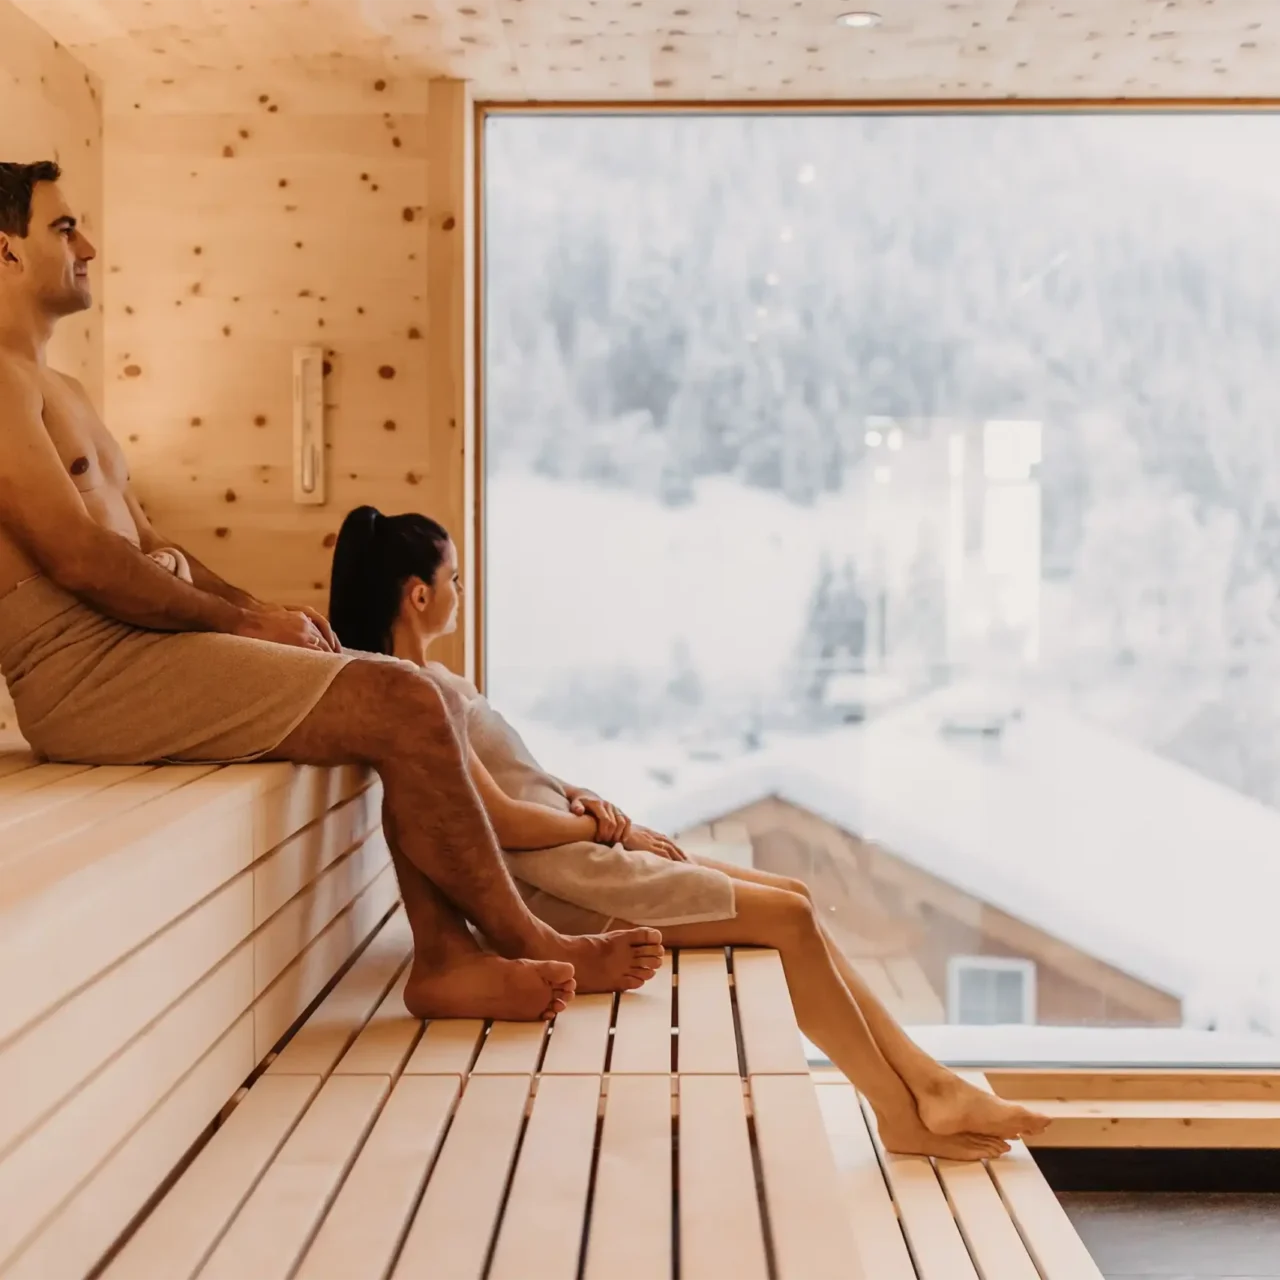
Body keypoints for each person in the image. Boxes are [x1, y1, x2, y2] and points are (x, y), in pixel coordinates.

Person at [0, 159, 666, 1025]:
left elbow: (157, 548)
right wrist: (248, 622)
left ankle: (444, 957)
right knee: (402, 698)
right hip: (84, 675)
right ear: (6, 251)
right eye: (62, 228)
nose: (89, 245)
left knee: (404, 697)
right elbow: (80, 559)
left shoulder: (62, 390)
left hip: (138, 653)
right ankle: (530, 939)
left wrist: (274, 618)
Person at [327, 504, 1053, 1160]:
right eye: (454, 577)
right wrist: (605, 831)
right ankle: (900, 1110)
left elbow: (513, 783)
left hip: (579, 857)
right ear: (419, 594)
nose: (462, 590)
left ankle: (930, 1083)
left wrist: (586, 800)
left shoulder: (430, 686)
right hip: (565, 888)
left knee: (792, 893)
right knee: (792, 919)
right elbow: (503, 824)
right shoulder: (416, 697)